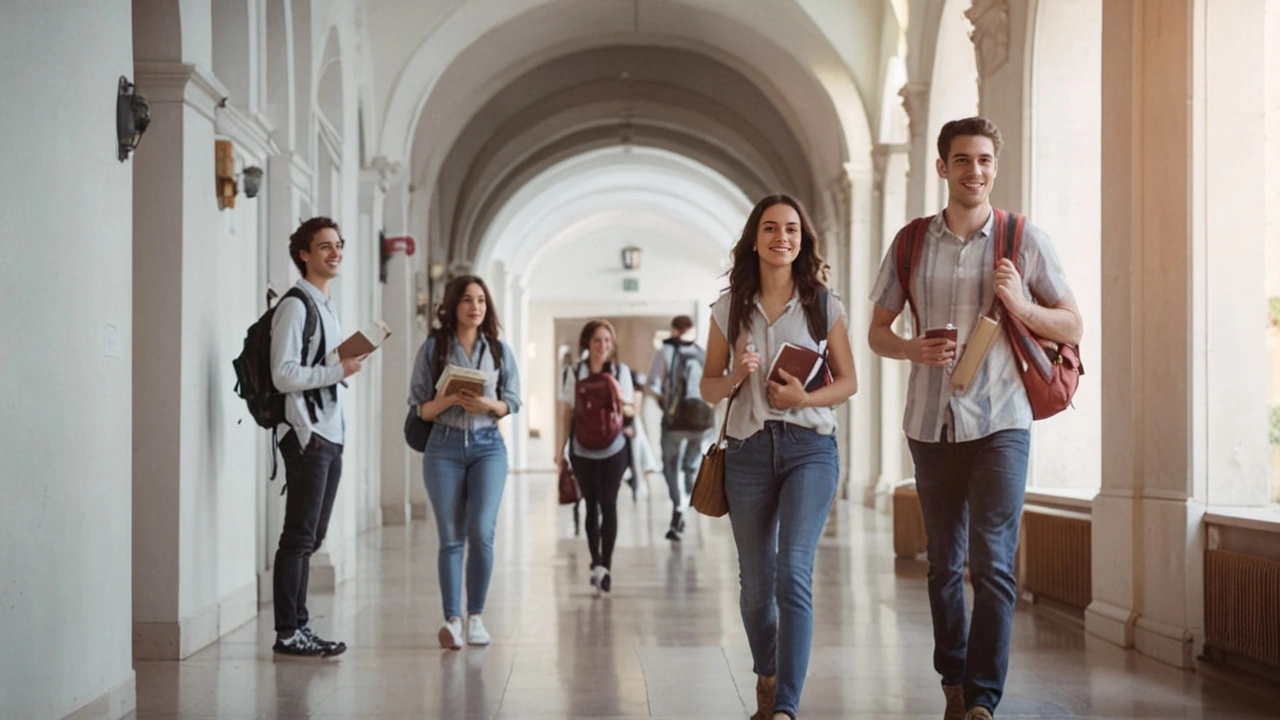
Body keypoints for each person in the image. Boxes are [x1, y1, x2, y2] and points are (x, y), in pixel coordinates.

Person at [868, 117, 1082, 720]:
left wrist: (1018, 304)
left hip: (1002, 421)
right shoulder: (910, 242)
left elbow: (1072, 325)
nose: (975, 171)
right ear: (943, 167)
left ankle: (983, 699)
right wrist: (911, 348)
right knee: (943, 564)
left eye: (985, 160)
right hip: (930, 422)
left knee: (992, 563)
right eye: (963, 160)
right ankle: (954, 681)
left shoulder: (1023, 239)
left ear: (995, 166)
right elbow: (877, 332)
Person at [700, 194, 858, 720]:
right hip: (746, 451)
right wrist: (737, 376)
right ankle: (767, 673)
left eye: (791, 229)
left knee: (793, 571)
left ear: (802, 240)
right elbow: (707, 387)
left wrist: (804, 398)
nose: (781, 237)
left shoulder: (823, 305)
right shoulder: (728, 309)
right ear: (754, 239)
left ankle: (786, 706)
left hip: (809, 450)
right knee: (754, 589)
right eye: (770, 228)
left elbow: (849, 382)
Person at [270, 217, 366, 658]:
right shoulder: (295, 305)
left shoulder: (326, 305)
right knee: (298, 537)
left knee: (312, 536)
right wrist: (336, 370)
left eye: (338, 245)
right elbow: (283, 374)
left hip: (331, 431)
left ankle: (299, 627)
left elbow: (315, 366)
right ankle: (290, 631)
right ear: (304, 254)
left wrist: (339, 364)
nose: (335, 252)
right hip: (308, 432)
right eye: (324, 246)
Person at [409, 275, 521, 650]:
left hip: (488, 447)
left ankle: (476, 616)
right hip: (443, 447)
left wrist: (486, 404)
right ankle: (452, 620)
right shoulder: (433, 349)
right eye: (468, 300)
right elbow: (419, 407)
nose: (475, 307)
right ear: (453, 305)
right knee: (451, 538)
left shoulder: (500, 352)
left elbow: (512, 402)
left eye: (482, 301)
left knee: (482, 533)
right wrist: (451, 398)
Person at [557, 319, 636, 596]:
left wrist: (617, 393)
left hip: (614, 449)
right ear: (587, 344)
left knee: (609, 503)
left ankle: (607, 567)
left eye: (607, 341)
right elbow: (567, 412)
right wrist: (560, 450)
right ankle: (595, 562)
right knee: (591, 505)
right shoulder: (574, 371)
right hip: (582, 448)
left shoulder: (621, 371)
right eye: (597, 341)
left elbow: (629, 408)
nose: (603, 346)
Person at [644, 315, 713, 541]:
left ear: (673, 330)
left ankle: (679, 506)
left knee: (670, 465)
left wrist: (664, 403)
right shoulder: (702, 353)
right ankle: (689, 493)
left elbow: (651, 384)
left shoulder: (666, 352)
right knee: (690, 464)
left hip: (675, 422)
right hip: (701, 421)